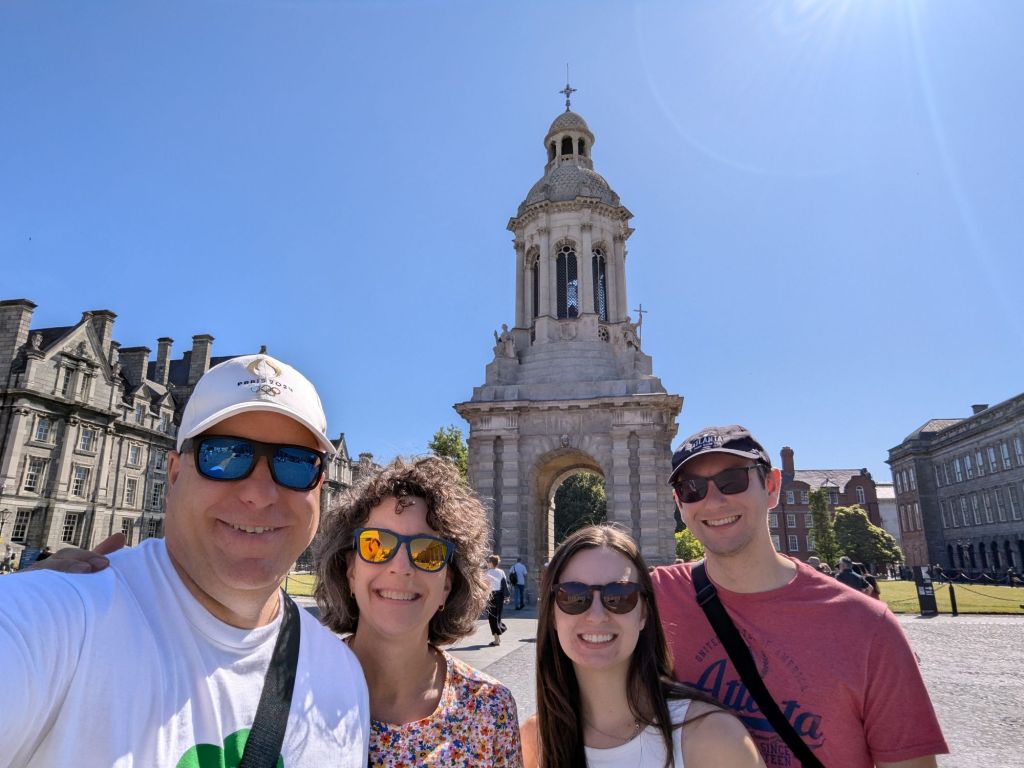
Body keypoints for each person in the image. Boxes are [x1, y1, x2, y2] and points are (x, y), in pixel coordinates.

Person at [0, 353, 369, 766]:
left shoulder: (343, 676)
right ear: (174, 475)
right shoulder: (58, 620)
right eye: (224, 456)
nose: (259, 494)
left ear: (319, 489)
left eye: (295, 463)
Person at [653, 424, 948, 768]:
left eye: (732, 480)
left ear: (772, 486)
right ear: (679, 503)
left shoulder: (869, 626)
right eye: (692, 488)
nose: (714, 501)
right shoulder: (647, 599)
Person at [315, 456, 522, 766]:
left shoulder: (491, 709)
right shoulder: (289, 691)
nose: (401, 567)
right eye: (376, 545)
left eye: (428, 552)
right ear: (351, 572)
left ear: (448, 584)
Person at [520, 524, 764, 768]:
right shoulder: (531, 742)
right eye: (574, 596)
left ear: (644, 612)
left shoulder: (715, 739)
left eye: (620, 596)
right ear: (551, 614)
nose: (596, 615)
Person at [485, 553, 510, 645]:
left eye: (488, 561)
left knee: (492, 618)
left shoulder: (487, 573)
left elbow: (485, 586)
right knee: (497, 616)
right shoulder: (501, 572)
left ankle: (496, 639)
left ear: (492, 563)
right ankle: (498, 637)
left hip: (491, 596)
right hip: (499, 596)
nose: (487, 563)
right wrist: (507, 596)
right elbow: (504, 585)